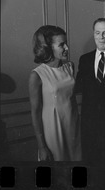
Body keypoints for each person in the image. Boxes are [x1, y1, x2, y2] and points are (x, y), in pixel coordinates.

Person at [75, 18, 105, 167]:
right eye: (97, 33)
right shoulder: (84, 59)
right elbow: (79, 87)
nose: (101, 37)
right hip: (89, 126)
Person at [29, 25, 81, 161]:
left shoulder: (70, 66)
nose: (67, 48)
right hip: (52, 128)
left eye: (66, 44)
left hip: (73, 125)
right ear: (48, 47)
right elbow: (35, 112)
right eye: (62, 45)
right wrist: (41, 147)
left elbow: (71, 98)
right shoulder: (37, 75)